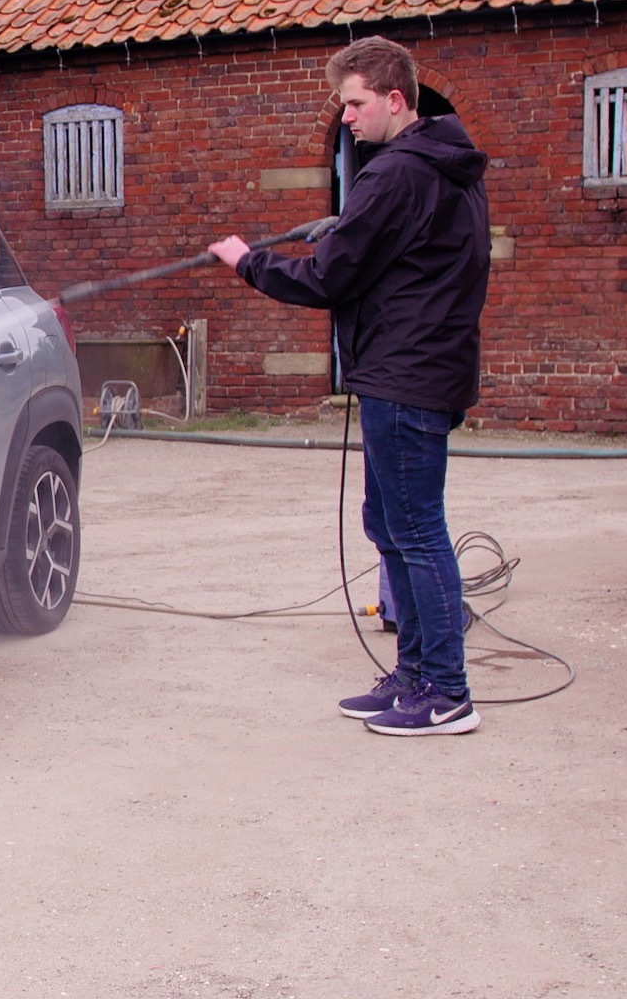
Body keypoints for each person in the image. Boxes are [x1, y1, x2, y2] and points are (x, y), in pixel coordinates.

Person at [208, 36, 490, 736]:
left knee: (417, 532)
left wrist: (250, 263)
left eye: (357, 104)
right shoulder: (443, 166)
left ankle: (448, 692)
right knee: (391, 527)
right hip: (421, 370)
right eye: (343, 106)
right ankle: (415, 675)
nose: (348, 119)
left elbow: (331, 276)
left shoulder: (397, 174)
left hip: (406, 375)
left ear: (396, 101)